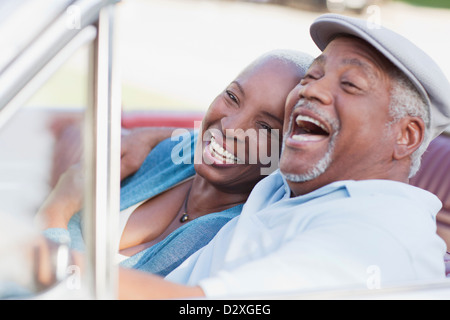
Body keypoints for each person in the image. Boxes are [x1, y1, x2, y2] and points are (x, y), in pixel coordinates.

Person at [117, 13, 450, 299]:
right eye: (312, 76)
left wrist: (66, 261)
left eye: (349, 84)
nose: (311, 90)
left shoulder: (374, 236)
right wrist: (147, 137)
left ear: (405, 136)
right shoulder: (304, 183)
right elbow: (226, 140)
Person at [35, 50, 314, 277]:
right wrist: (146, 136)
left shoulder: (221, 238)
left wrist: (57, 209)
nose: (231, 127)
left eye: (265, 126)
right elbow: (192, 137)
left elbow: (83, 291)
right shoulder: (176, 154)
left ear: (289, 148)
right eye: (232, 97)